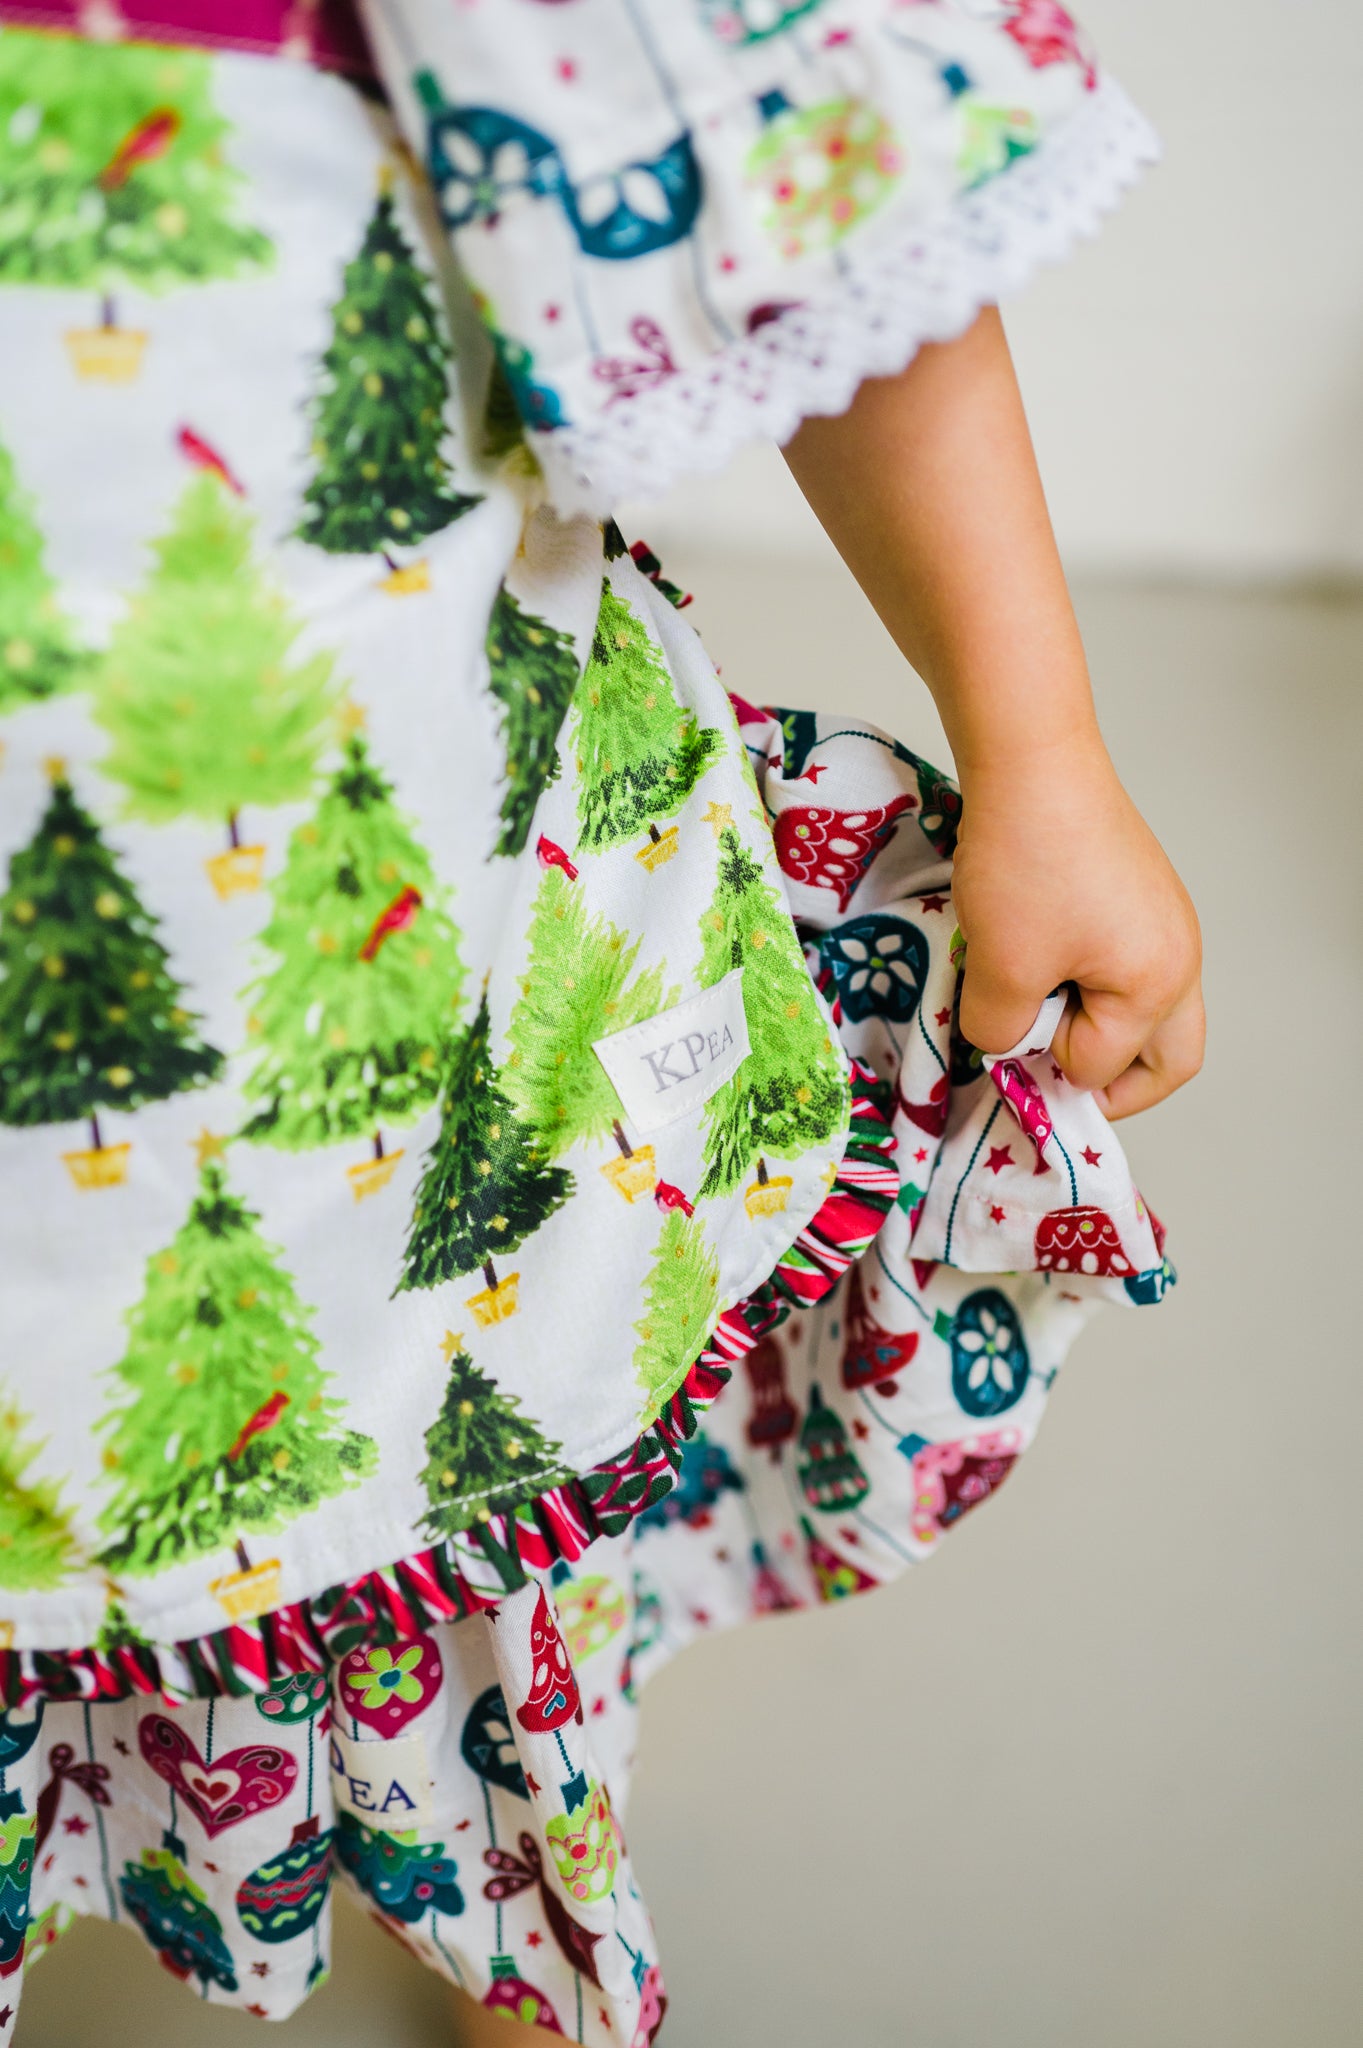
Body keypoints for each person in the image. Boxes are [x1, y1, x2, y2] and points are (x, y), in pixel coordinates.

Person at [0, 4, 1201, 2041]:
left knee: (460, 1460)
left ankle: (495, 1886)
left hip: (429, 969)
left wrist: (1043, 745)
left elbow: (797, 183)